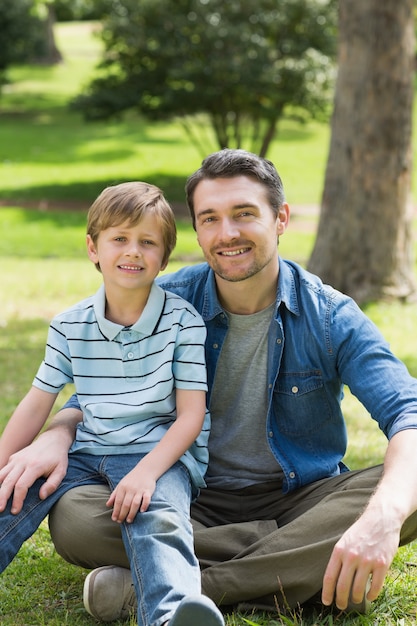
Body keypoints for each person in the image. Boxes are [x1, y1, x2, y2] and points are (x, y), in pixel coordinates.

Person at [1, 150, 417, 623]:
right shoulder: (168, 301)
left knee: (402, 488)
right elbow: (104, 393)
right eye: (210, 219)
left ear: (279, 219)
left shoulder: (329, 315)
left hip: (299, 499)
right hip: (183, 493)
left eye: (244, 214)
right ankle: (298, 569)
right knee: (75, 517)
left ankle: (166, 590)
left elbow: (408, 412)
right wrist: (57, 433)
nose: (228, 234)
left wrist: (382, 518)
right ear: (196, 232)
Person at [0, 181, 225, 626]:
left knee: (157, 517)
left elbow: (191, 415)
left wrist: (146, 473)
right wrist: (5, 462)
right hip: (87, 450)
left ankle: (170, 617)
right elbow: (36, 402)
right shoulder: (69, 324)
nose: (133, 251)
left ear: (163, 258)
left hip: (157, 454)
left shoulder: (183, 321)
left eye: (147, 242)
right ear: (93, 248)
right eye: (119, 238)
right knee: (11, 491)